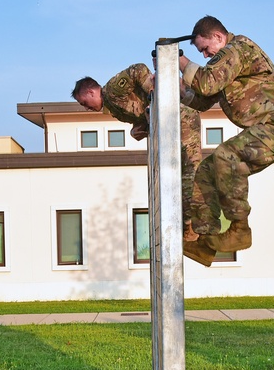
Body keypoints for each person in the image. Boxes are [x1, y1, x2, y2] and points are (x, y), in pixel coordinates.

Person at [177, 15, 274, 254]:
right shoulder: (224, 67)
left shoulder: (236, 49)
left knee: (227, 155)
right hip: (267, 130)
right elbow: (202, 100)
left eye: (205, 49)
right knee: (206, 170)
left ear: (218, 37)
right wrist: (177, 88)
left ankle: (239, 230)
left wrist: (180, 61)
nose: (205, 56)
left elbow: (206, 83)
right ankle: (203, 238)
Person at [71, 64, 216, 266]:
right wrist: (138, 128)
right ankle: (194, 239)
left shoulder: (112, 89)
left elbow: (137, 70)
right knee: (179, 180)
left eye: (84, 102)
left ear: (90, 91)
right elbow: (141, 113)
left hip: (179, 118)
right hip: (171, 125)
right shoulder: (114, 108)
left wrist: (154, 94)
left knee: (190, 173)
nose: (86, 107)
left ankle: (200, 234)